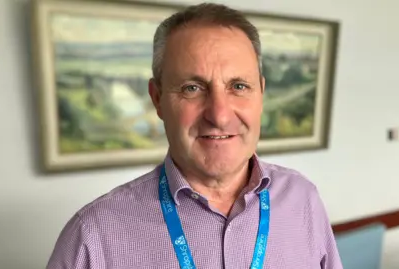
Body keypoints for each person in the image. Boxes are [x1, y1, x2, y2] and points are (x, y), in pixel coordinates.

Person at [46, 3, 343, 269]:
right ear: (158, 98)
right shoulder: (92, 236)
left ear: (261, 94)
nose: (219, 115)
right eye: (192, 88)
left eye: (239, 86)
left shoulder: (303, 199)